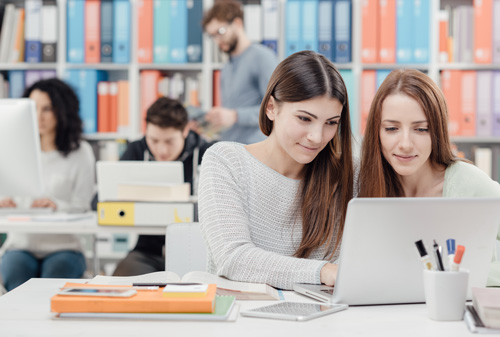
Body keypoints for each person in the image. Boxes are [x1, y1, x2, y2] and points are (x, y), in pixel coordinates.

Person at [198, 51, 354, 290]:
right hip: (244, 319)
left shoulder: (349, 173)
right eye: (304, 119)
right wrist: (321, 271)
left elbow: (356, 264)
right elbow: (233, 259)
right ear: (271, 107)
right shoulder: (226, 162)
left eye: (331, 123)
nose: (317, 137)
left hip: (324, 320)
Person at [358, 69, 500, 285]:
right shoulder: (363, 183)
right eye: (392, 128)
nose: (405, 144)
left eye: (421, 129)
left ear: (437, 132)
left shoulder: (469, 184)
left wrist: (461, 273)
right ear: (377, 132)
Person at [0, 78, 95, 291]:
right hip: (20, 245)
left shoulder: (80, 153)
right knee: (16, 274)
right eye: (33, 108)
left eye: (47, 109)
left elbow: (82, 205)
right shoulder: (12, 149)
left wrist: (56, 205)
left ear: (62, 111)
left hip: (64, 247)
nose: (38, 116)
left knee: (55, 278)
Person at [108, 97, 214, 276]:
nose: (161, 150)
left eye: (169, 141)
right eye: (154, 140)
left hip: (196, 249)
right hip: (148, 251)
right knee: (121, 281)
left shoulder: (208, 153)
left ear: (185, 130)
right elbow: (99, 199)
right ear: (146, 131)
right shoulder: (137, 150)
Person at [202, 0, 277, 144]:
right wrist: (210, 125)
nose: (217, 40)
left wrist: (235, 116)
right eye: (212, 36)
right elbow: (231, 114)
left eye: (220, 32)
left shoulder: (262, 57)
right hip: (231, 149)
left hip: (256, 149)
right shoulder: (228, 66)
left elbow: (277, 108)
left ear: (237, 23)